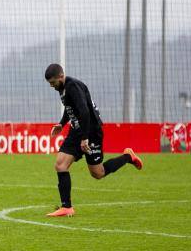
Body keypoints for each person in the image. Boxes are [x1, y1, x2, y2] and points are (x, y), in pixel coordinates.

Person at [44, 63, 143, 217]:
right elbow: (70, 108)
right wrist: (61, 124)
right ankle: (67, 207)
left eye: (53, 83)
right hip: (76, 130)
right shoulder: (62, 88)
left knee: (98, 173)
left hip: (91, 131)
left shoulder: (73, 87)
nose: (52, 86)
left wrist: (85, 138)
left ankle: (128, 157)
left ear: (61, 77)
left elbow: (84, 111)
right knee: (60, 164)